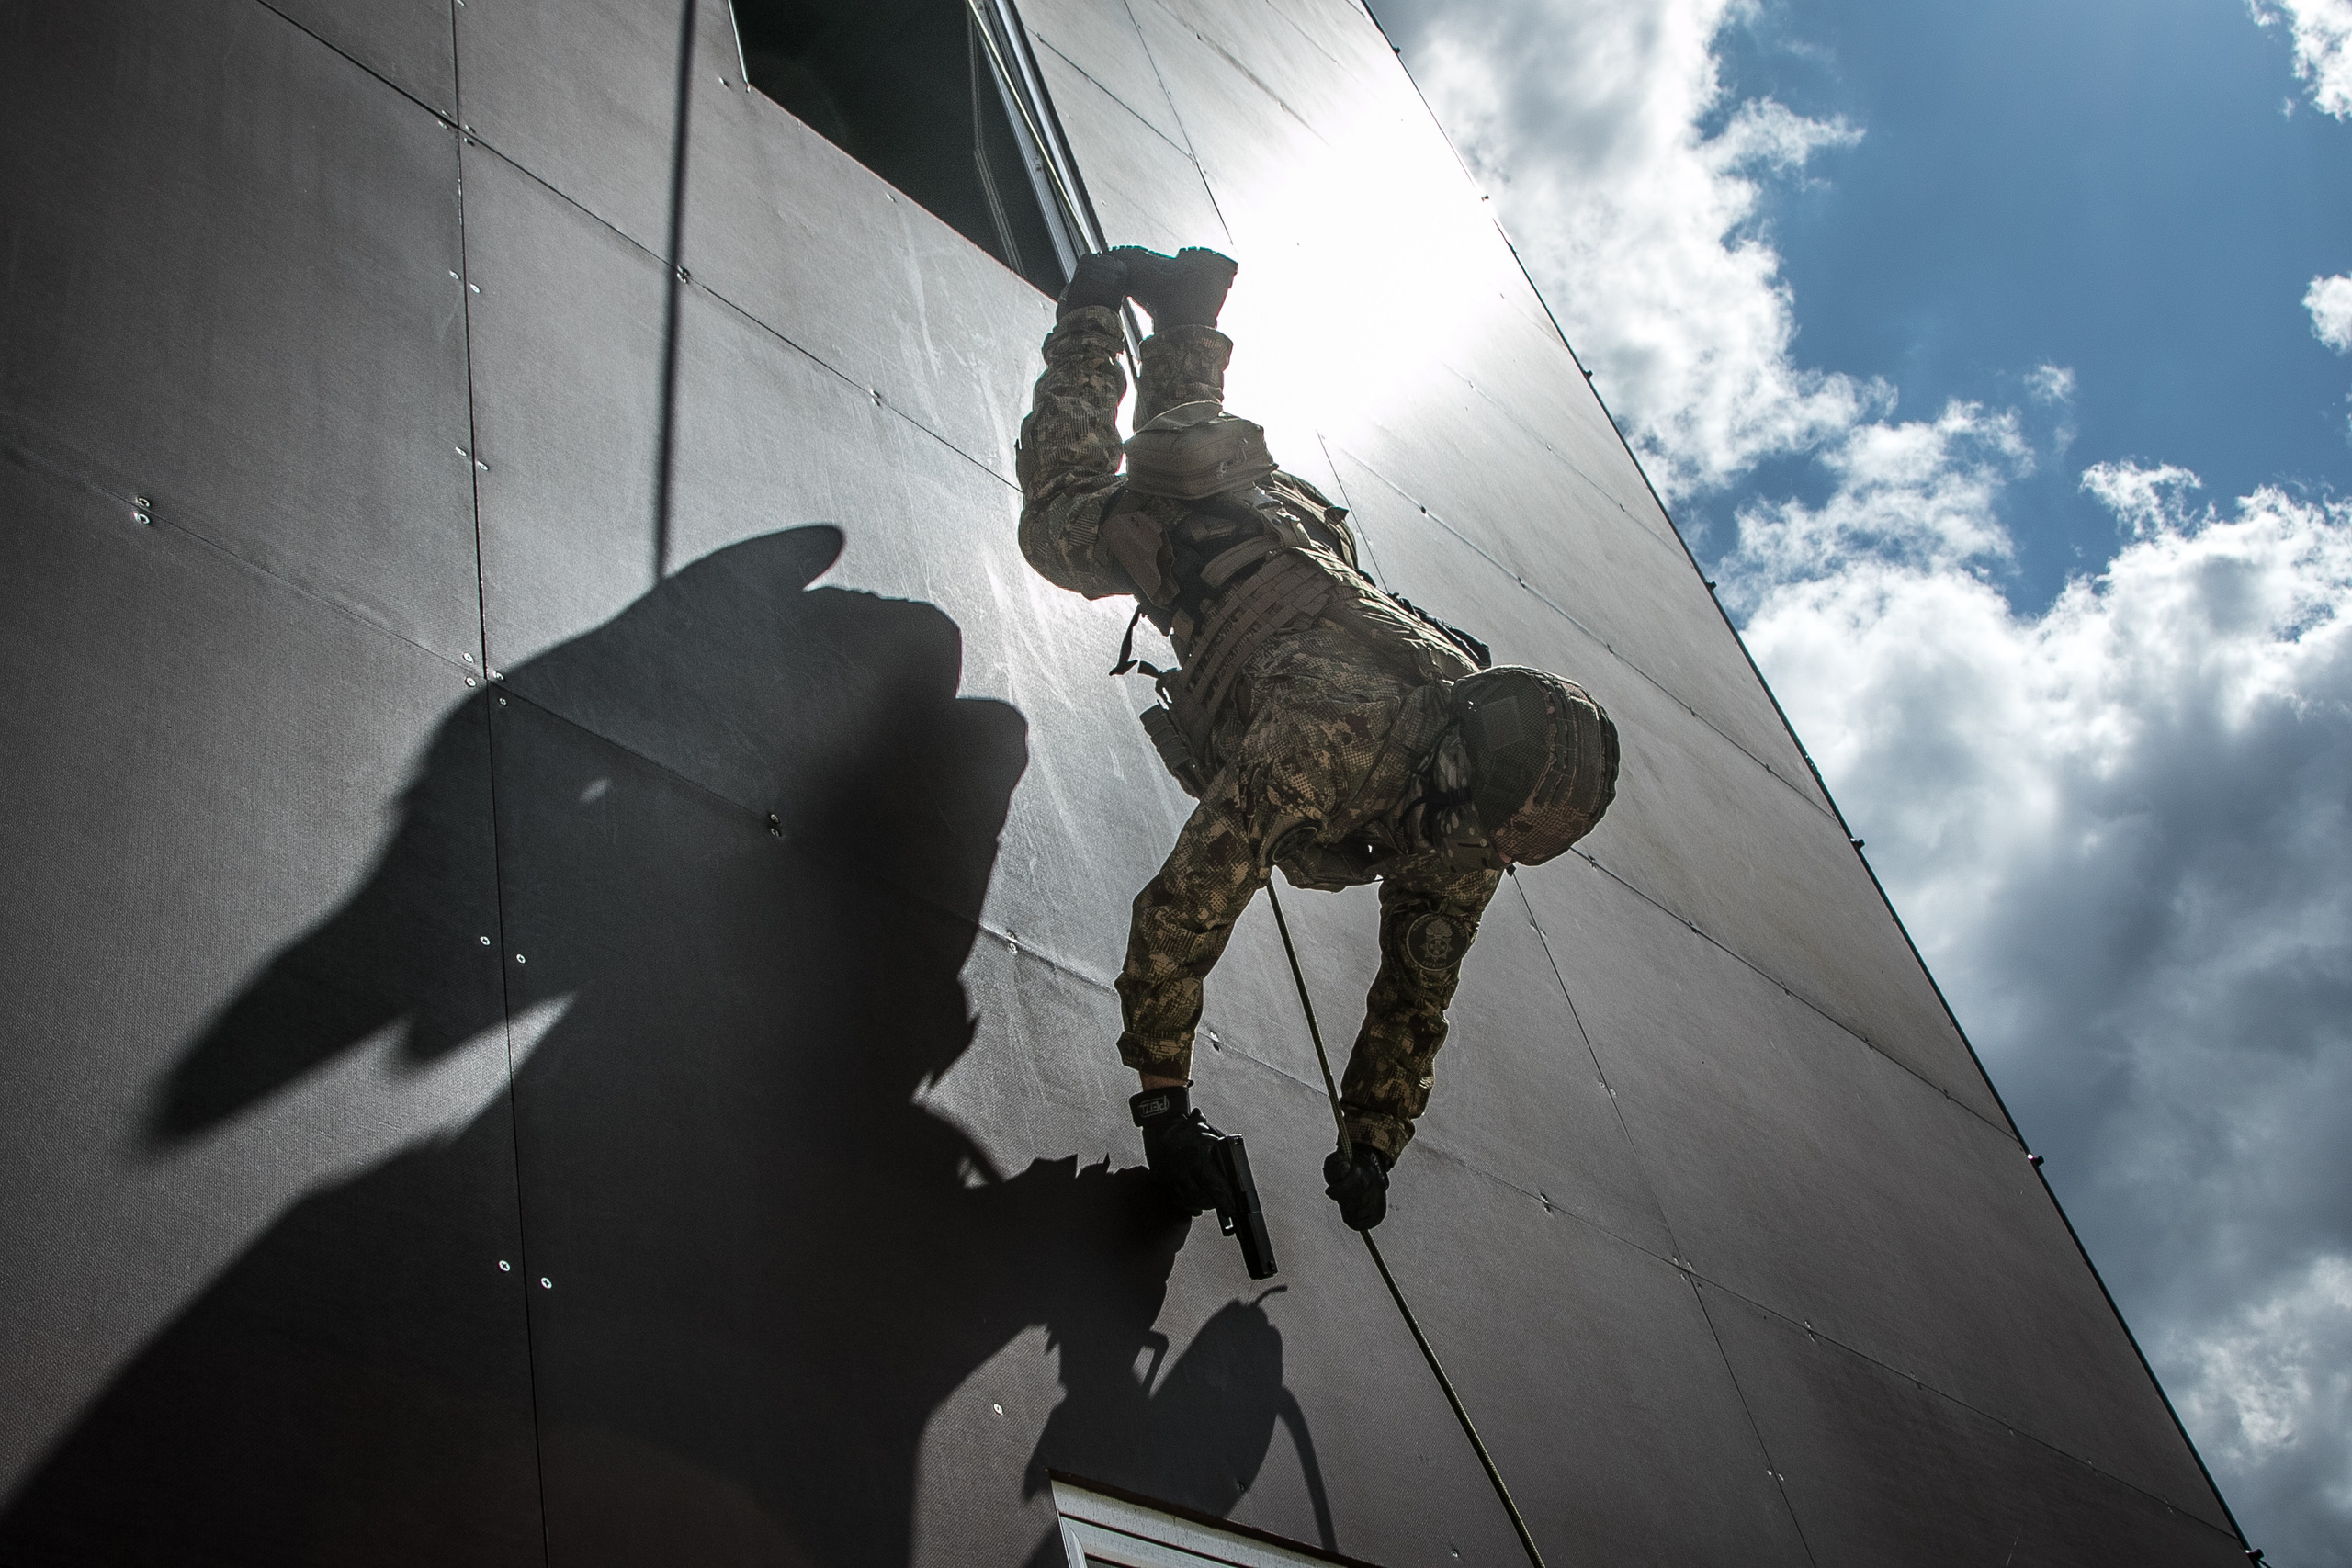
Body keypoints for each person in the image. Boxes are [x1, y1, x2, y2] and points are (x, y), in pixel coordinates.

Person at [1016, 247, 1620, 1233]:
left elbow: (1416, 989)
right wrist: (1163, 1105)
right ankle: (1090, 308)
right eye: (1485, 841)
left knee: (1189, 439)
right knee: (1057, 517)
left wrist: (1373, 1141)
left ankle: (1183, 316)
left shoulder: (1470, 813)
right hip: (1200, 540)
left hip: (1289, 521)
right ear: (1456, 779)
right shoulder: (1327, 743)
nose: (1481, 865)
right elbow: (1182, 910)